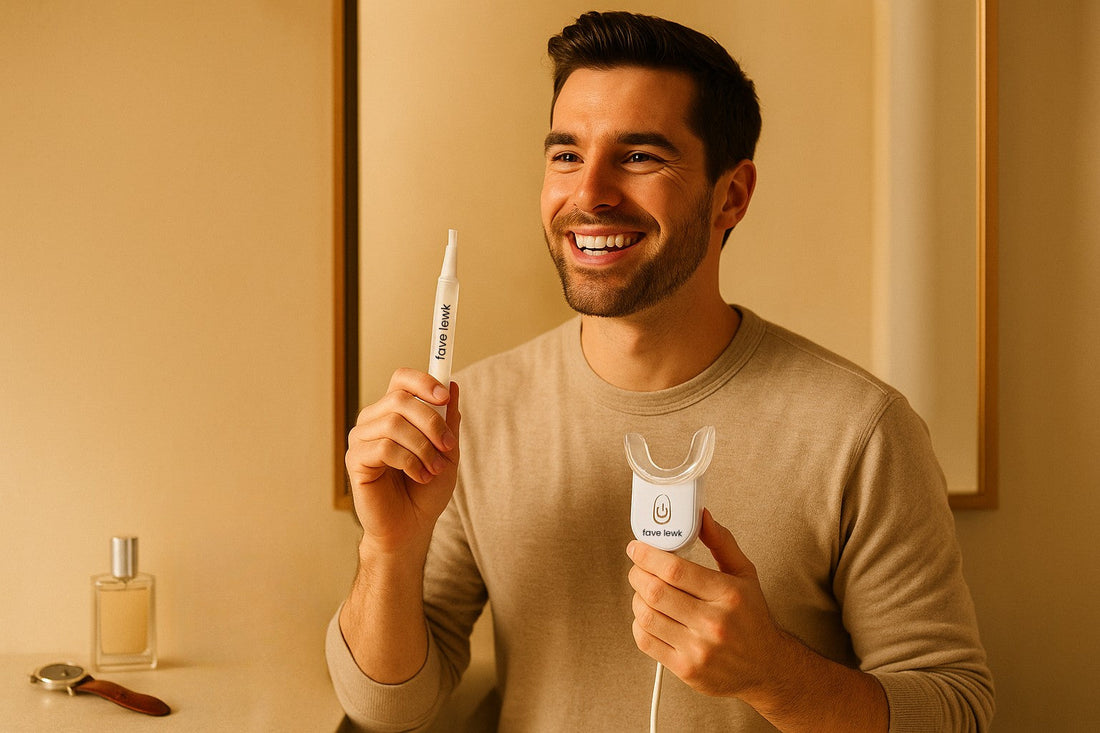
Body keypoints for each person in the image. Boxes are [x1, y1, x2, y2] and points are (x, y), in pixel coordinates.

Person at [327, 10, 994, 732]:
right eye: (566, 155)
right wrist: (389, 549)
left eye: (640, 157)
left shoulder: (861, 432)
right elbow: (387, 707)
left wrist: (774, 674)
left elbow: (959, 712)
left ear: (731, 196)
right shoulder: (473, 415)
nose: (590, 193)